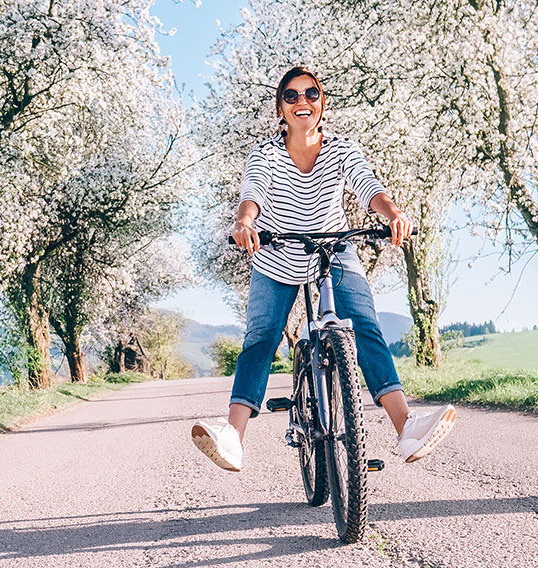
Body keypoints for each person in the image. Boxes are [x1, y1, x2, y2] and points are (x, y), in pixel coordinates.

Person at [191, 66, 457, 472]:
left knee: (363, 324)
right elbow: (253, 194)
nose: (303, 102)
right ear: (281, 108)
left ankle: (407, 428)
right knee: (261, 338)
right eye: (292, 96)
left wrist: (393, 213)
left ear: (322, 103)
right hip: (277, 253)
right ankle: (233, 437)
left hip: (332, 251)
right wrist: (245, 223)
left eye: (311, 94)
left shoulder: (342, 149)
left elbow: (369, 187)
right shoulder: (264, 154)